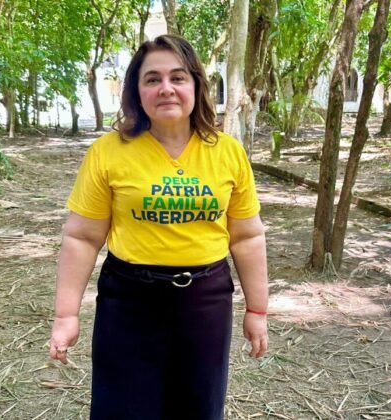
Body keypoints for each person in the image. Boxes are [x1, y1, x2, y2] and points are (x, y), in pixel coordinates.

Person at [49, 34, 268, 420]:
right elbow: (82, 237)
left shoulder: (228, 152)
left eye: (178, 77)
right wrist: (66, 316)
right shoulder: (108, 152)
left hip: (206, 301)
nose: (166, 88)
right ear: (137, 91)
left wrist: (258, 310)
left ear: (195, 85)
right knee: (123, 408)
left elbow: (247, 237)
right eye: (152, 79)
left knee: (198, 407)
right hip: (128, 301)